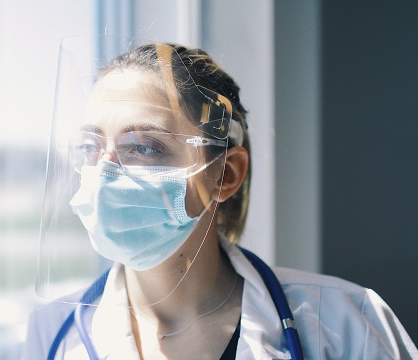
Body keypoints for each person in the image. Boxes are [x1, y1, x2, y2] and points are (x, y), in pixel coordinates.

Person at [24, 39, 418, 359]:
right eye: (91, 148)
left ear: (226, 175)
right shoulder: (52, 334)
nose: (104, 173)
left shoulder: (347, 324)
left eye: (143, 147)